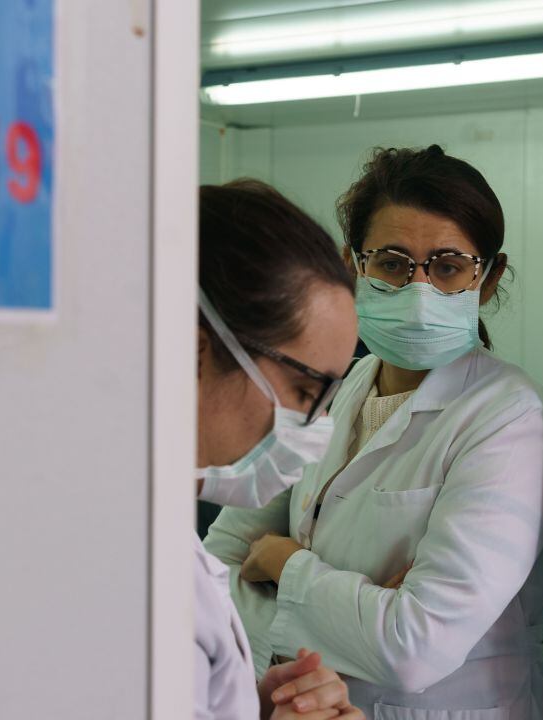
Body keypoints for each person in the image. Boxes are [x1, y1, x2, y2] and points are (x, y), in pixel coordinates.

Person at [204, 146, 543, 720]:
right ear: (353, 266)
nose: (420, 290)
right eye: (393, 262)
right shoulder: (339, 385)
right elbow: (215, 573)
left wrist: (284, 562)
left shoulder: (511, 419)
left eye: (447, 266)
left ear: (486, 280)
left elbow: (413, 648)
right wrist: (364, 607)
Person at [193, 180, 364, 720]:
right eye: (305, 392)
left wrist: (249, 704)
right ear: (192, 348)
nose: (315, 428)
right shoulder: (127, 573)